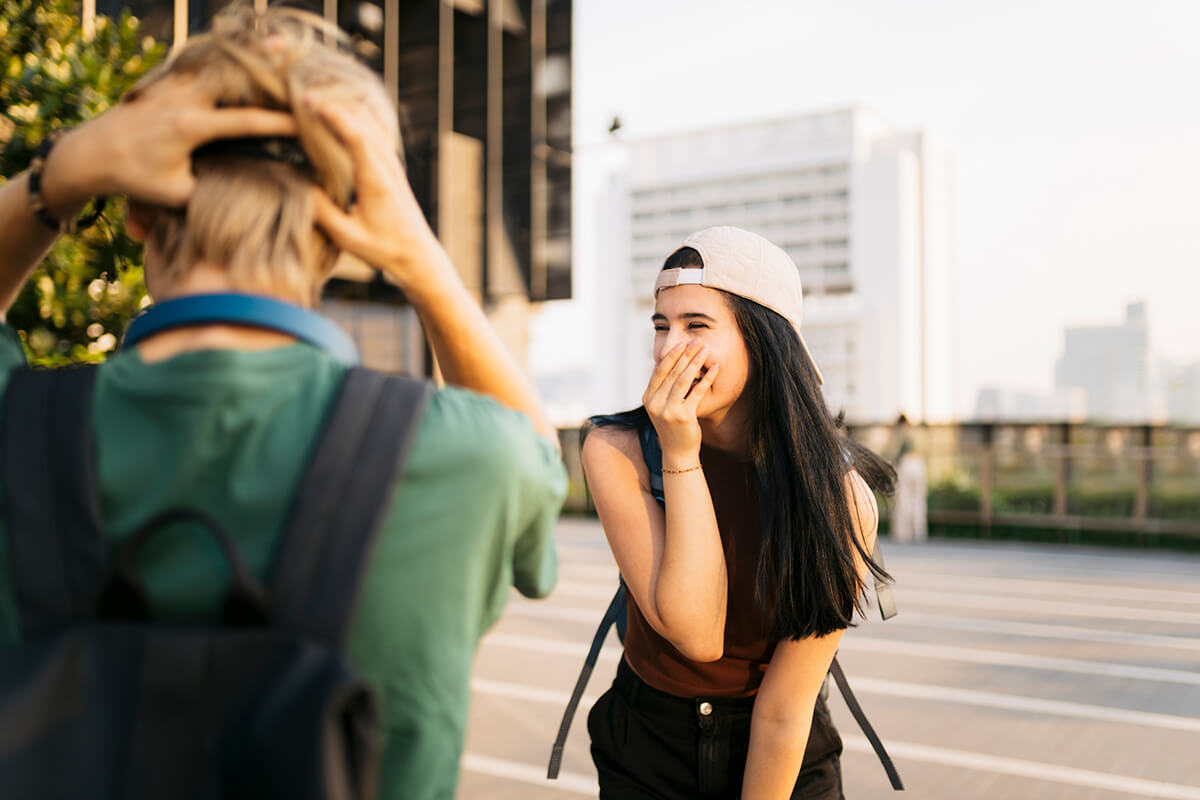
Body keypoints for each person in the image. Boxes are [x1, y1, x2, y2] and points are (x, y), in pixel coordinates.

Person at [0, 8, 565, 800]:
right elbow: (541, 470)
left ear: (130, 207)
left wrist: (55, 177)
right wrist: (424, 263)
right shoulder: (473, 457)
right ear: (347, 231)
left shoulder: (17, 424)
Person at [581, 226, 896, 799]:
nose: (668, 347)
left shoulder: (840, 496)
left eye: (696, 325)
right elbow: (696, 632)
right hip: (651, 743)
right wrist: (680, 454)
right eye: (661, 325)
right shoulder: (618, 451)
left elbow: (784, 711)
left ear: (763, 339)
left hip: (783, 746)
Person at [890, 414, 928, 543]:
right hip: (920, 464)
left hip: (906, 464)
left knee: (903, 500)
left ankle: (903, 534)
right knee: (919, 501)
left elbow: (895, 452)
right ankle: (919, 533)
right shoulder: (921, 432)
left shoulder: (901, 432)